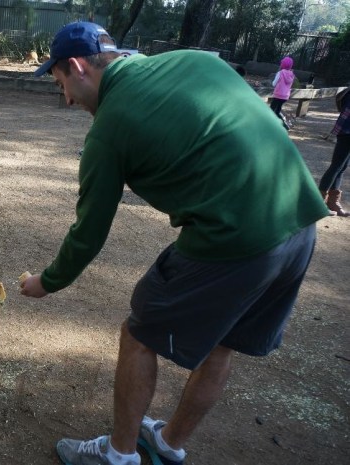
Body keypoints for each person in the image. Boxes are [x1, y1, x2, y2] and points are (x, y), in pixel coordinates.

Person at [21, 21, 328, 465]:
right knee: (221, 342)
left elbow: (89, 232)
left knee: (139, 335)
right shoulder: (196, 60)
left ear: (77, 67)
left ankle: (119, 455)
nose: (66, 98)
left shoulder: (109, 130)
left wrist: (47, 282)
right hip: (299, 221)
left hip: (234, 237)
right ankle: (168, 443)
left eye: (61, 83)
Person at [318, 89, 350, 217]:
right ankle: (319, 203)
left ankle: (332, 202)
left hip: (346, 132)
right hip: (347, 132)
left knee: (342, 167)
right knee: (336, 166)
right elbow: (346, 114)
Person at [269, 56, 296, 130]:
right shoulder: (292, 75)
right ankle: (284, 124)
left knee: (271, 110)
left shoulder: (280, 73)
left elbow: (274, 84)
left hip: (278, 94)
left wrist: (273, 83)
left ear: (282, 64)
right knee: (277, 110)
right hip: (285, 96)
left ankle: (271, 124)